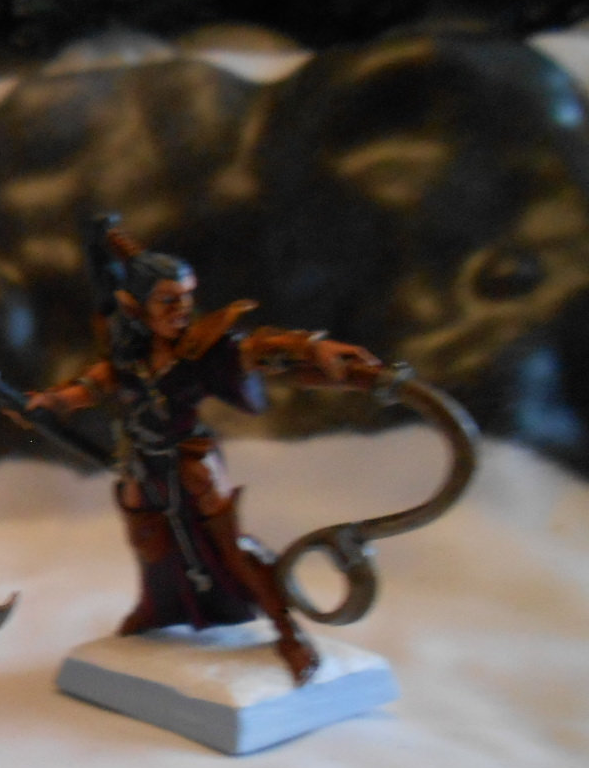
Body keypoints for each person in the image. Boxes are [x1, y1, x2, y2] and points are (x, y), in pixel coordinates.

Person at [21, 216, 383, 684]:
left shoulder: (199, 350)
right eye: (168, 300)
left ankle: (287, 632)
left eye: (187, 298)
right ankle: (156, 608)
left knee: (231, 547)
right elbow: (98, 382)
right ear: (135, 306)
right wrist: (54, 401)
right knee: (148, 541)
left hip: (192, 462)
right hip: (142, 463)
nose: (182, 310)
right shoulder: (129, 352)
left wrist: (314, 348)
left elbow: (254, 348)